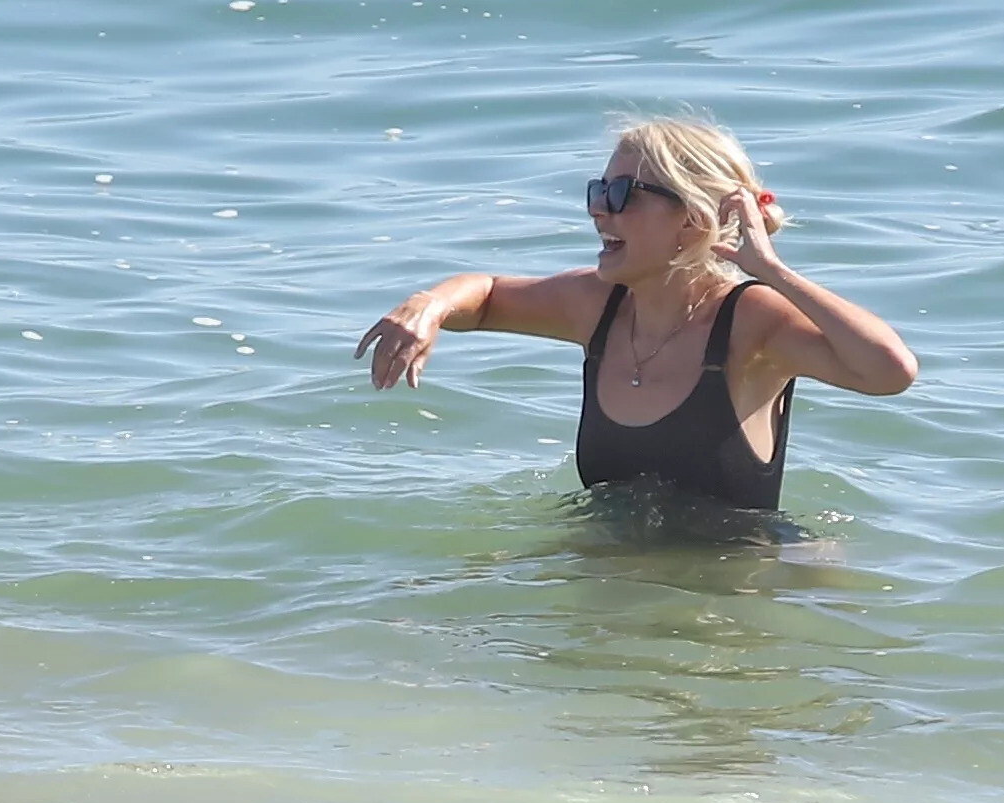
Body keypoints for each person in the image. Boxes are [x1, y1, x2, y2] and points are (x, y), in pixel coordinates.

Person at [354, 116, 917, 512]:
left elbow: (890, 371)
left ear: (692, 218)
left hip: (727, 598)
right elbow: (488, 295)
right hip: (611, 580)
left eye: (622, 194)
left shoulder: (751, 324)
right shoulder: (595, 305)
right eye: (597, 191)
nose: (599, 210)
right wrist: (430, 304)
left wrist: (771, 271)